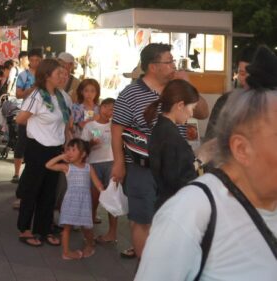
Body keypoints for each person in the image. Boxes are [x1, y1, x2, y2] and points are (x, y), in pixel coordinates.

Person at [136, 53, 277, 281]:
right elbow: (175, 177)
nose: (192, 113)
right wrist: (198, 161)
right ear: (241, 148)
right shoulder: (191, 212)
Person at [111, 43, 210, 259]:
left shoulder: (176, 88)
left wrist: (187, 82)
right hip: (141, 167)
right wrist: (119, 162)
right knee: (142, 219)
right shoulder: (130, 93)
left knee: (170, 218)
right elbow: (117, 127)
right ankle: (147, 268)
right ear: (153, 67)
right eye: (169, 61)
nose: (174, 65)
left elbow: (202, 112)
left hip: (174, 168)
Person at [16, 58, 73, 247]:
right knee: (32, 190)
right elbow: (20, 119)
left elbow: (66, 124)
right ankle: (25, 229)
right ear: (47, 75)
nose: (64, 77)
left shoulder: (64, 97)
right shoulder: (37, 96)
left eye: (65, 74)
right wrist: (39, 128)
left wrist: (67, 142)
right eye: (59, 74)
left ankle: (44, 228)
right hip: (38, 148)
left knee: (50, 191)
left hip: (56, 149)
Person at [146, 79, 200, 209]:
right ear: (180, 105)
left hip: (164, 203)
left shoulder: (161, 127)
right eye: (192, 108)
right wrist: (200, 161)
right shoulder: (171, 137)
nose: (192, 113)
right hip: (174, 205)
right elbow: (180, 179)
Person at [46, 139, 104, 260]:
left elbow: (97, 183)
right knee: (67, 228)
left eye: (73, 150)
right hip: (71, 202)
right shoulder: (67, 167)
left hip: (84, 203)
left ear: (83, 154)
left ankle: (90, 244)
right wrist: (61, 156)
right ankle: (66, 252)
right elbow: (48, 165)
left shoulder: (88, 168)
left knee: (86, 227)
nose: (69, 152)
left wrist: (105, 192)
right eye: (68, 149)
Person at [81, 97, 118, 242]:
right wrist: (90, 143)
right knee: (93, 199)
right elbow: (83, 149)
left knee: (112, 199)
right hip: (94, 164)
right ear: (101, 107)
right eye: (108, 108)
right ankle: (88, 233)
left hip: (111, 163)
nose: (110, 112)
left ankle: (112, 233)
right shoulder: (90, 126)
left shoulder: (115, 126)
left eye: (113, 109)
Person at [204, 46, 255, 142]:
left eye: (252, 74)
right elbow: (210, 139)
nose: (247, 79)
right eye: (242, 73)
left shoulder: (271, 104)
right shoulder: (225, 101)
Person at [11, 48, 43, 188]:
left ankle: (32, 171)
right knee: (21, 143)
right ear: (28, 60)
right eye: (33, 60)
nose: (35, 62)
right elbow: (18, 94)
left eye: (38, 60)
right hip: (26, 112)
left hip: (41, 115)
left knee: (36, 144)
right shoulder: (23, 75)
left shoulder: (46, 75)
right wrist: (31, 89)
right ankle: (17, 173)